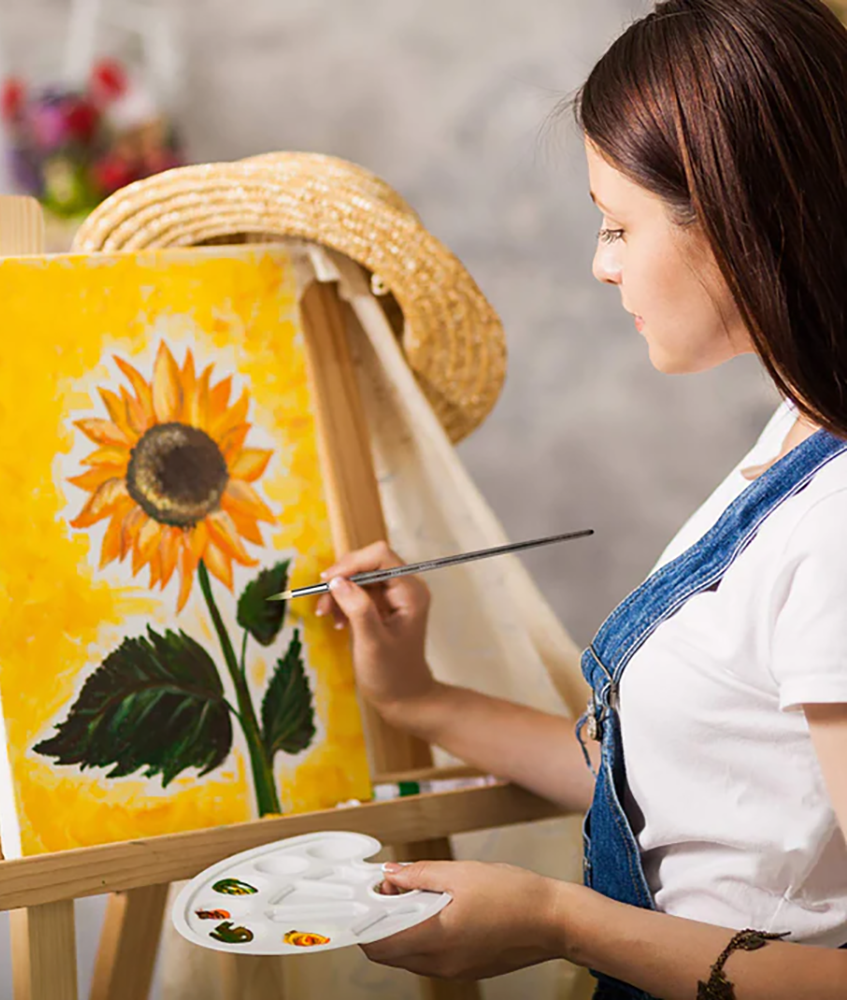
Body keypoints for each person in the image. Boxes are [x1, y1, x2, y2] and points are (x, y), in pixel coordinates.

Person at [317, 1, 847, 997]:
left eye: (616, 224)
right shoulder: (796, 438)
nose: (599, 262)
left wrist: (562, 919)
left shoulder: (839, 526)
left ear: (737, 219)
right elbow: (684, 789)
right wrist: (416, 699)